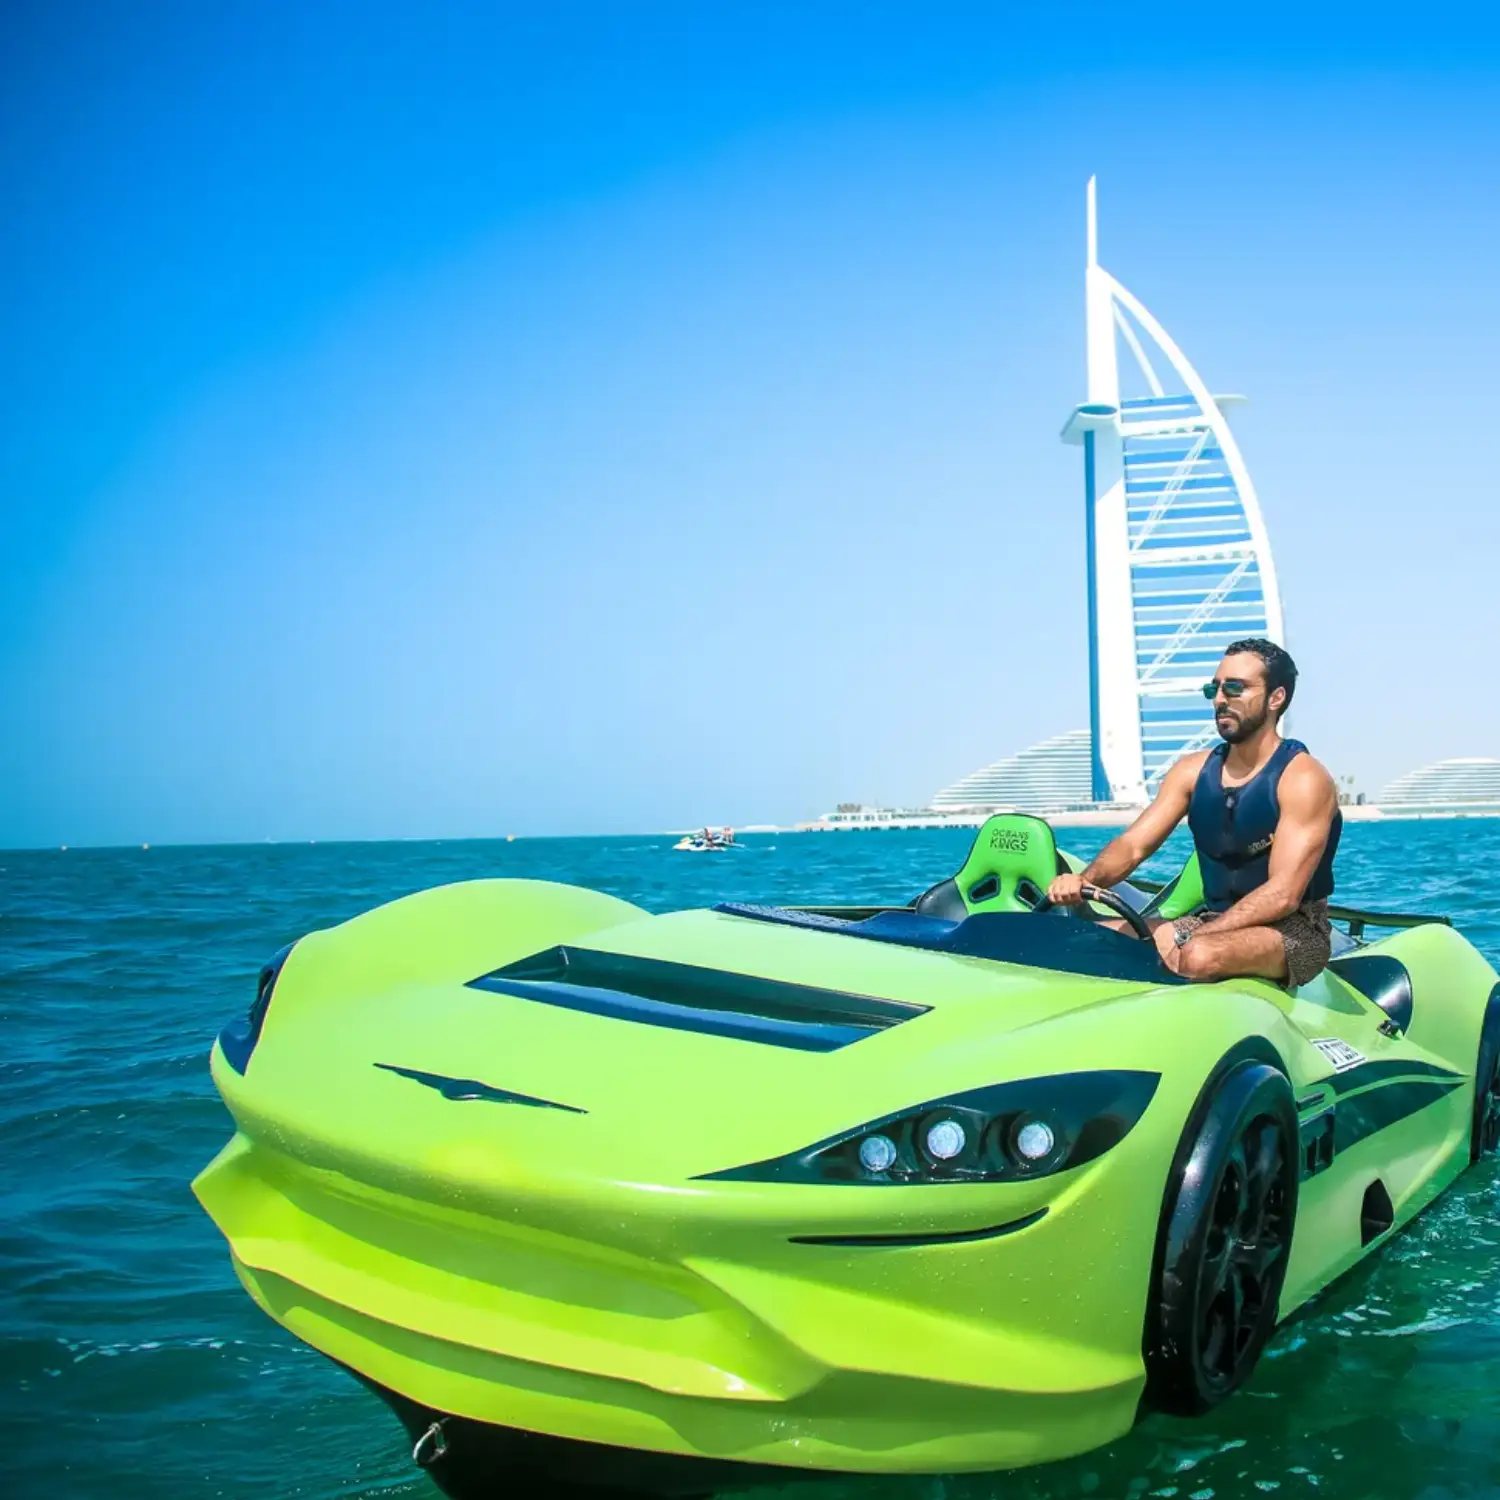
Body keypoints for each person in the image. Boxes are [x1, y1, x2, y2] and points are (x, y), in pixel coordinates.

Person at [1045, 638, 1341, 986]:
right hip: (1210, 921)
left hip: (1294, 930)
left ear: (1276, 698)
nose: (1220, 699)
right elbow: (1133, 846)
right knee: (1085, 940)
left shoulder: (1303, 778)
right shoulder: (1191, 771)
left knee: (1198, 955)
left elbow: (1283, 895)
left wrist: (1196, 936)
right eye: (1213, 689)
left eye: (1235, 688)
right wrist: (1084, 881)